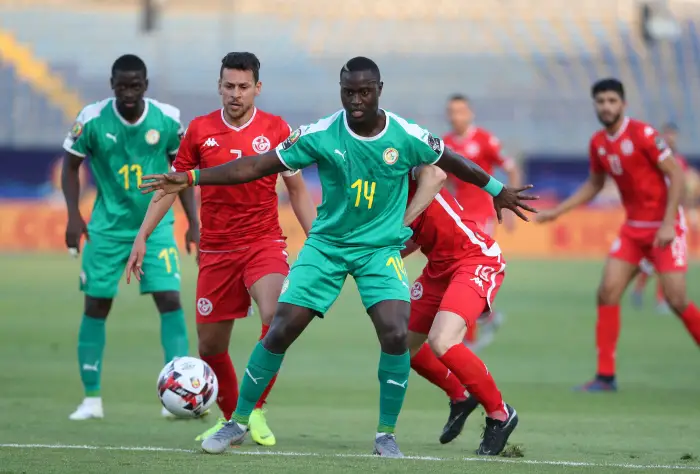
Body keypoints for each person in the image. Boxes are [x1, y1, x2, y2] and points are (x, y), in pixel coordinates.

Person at [133, 56, 536, 457]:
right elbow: (254, 166)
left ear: (379, 90)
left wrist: (497, 189)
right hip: (326, 246)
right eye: (348, 92)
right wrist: (191, 176)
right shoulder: (320, 133)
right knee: (281, 328)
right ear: (340, 92)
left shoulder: (405, 134)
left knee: (396, 333)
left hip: (378, 251)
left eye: (364, 91)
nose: (356, 99)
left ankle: (385, 436)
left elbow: (450, 161)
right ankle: (238, 420)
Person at [125, 52, 316, 446]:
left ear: (257, 88)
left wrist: (316, 246)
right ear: (219, 86)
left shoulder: (277, 129)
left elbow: (297, 190)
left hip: (263, 242)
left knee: (275, 315)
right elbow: (172, 186)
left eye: (243, 86)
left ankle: (254, 410)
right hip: (216, 250)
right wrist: (141, 235)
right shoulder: (199, 130)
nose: (235, 93)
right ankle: (234, 420)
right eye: (228, 86)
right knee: (211, 346)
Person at [536, 79, 700, 391]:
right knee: (606, 292)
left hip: (666, 227)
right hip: (633, 229)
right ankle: (605, 376)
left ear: (623, 104)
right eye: (601, 101)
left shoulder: (644, 134)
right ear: (595, 105)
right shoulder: (598, 142)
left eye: (612, 100)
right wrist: (559, 210)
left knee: (677, 300)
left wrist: (668, 223)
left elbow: (676, 174)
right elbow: (594, 184)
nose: (606, 106)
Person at [62, 54, 198, 420]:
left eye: (135, 85)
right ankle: (91, 399)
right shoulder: (91, 119)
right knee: (96, 305)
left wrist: (194, 222)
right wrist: (74, 216)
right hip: (107, 229)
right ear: (112, 85)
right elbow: (70, 164)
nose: (128, 92)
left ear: (145, 85)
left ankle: (178, 396)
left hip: (156, 227)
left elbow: (182, 173)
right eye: (121, 85)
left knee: (169, 299)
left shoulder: (167, 119)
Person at [402, 165, 520, 454]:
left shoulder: (409, 165)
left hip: (474, 259)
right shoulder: (377, 189)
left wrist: (396, 227)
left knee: (442, 340)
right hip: (438, 268)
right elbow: (416, 236)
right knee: (401, 348)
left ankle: (500, 414)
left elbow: (438, 175)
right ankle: (460, 395)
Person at [441, 94, 522, 350]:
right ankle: (488, 315)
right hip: (460, 215)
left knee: (463, 270)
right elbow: (442, 178)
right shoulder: (445, 143)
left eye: (461, 111)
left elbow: (510, 167)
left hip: (483, 214)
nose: (457, 116)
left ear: (470, 113)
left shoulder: (485, 140)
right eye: (452, 111)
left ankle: (469, 339)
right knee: (458, 272)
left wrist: (510, 207)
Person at [631, 122, 698, 313]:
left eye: (674, 134)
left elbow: (683, 189)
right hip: (656, 214)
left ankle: (660, 299)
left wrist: (689, 210)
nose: (671, 137)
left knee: (665, 258)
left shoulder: (680, 162)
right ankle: (642, 288)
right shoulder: (653, 158)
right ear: (662, 135)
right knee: (654, 259)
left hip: (674, 215)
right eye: (668, 134)